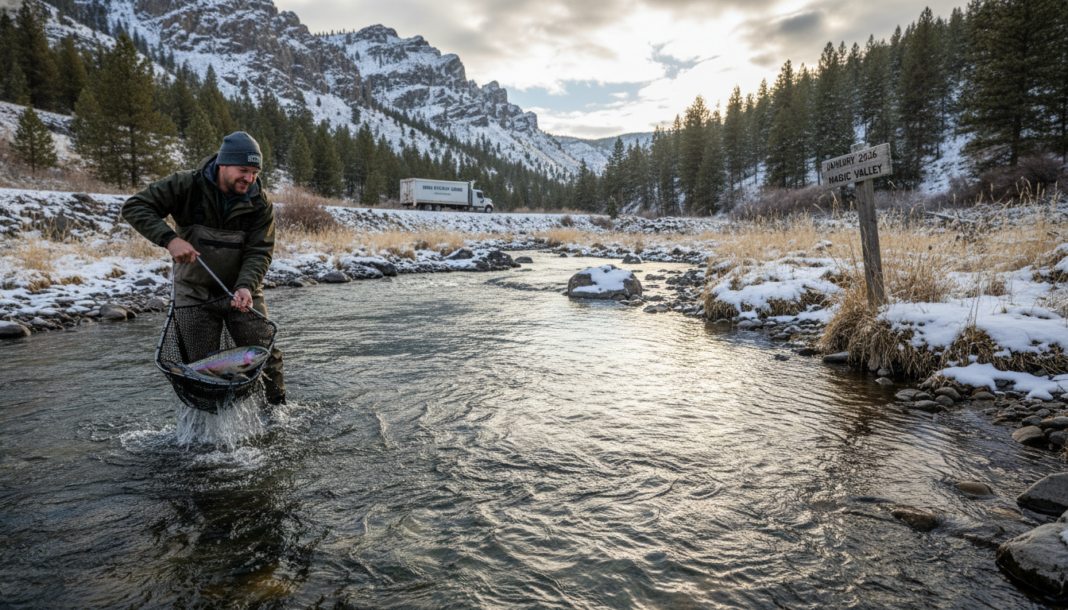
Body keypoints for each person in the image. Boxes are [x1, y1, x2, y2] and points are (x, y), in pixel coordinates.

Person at [122, 132, 285, 406]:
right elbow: (135, 206)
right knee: (201, 366)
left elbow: (260, 250)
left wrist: (246, 285)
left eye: (255, 172)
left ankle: (276, 416)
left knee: (266, 356)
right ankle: (208, 430)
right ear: (223, 164)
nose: (249, 178)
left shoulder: (259, 202)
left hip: (242, 293)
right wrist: (170, 239)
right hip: (193, 293)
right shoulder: (186, 185)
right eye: (243, 170)